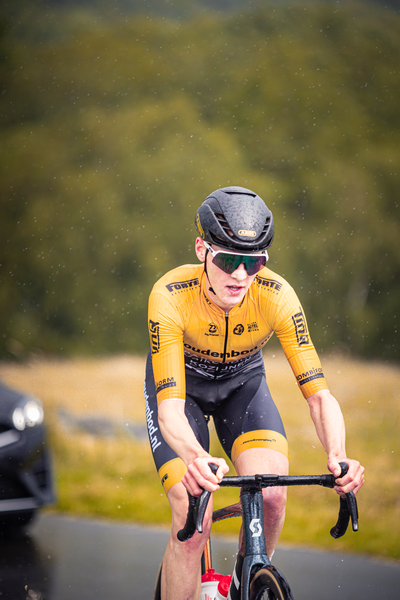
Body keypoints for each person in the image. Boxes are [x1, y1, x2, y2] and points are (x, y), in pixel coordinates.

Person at [144, 186, 364, 600]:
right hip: (182, 394)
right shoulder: (169, 296)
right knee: (195, 519)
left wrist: (338, 454)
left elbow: (319, 395)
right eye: (229, 260)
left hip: (243, 387)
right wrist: (195, 458)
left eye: (255, 262)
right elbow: (169, 408)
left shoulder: (277, 295)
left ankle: (245, 585)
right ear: (200, 249)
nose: (241, 275)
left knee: (273, 495)